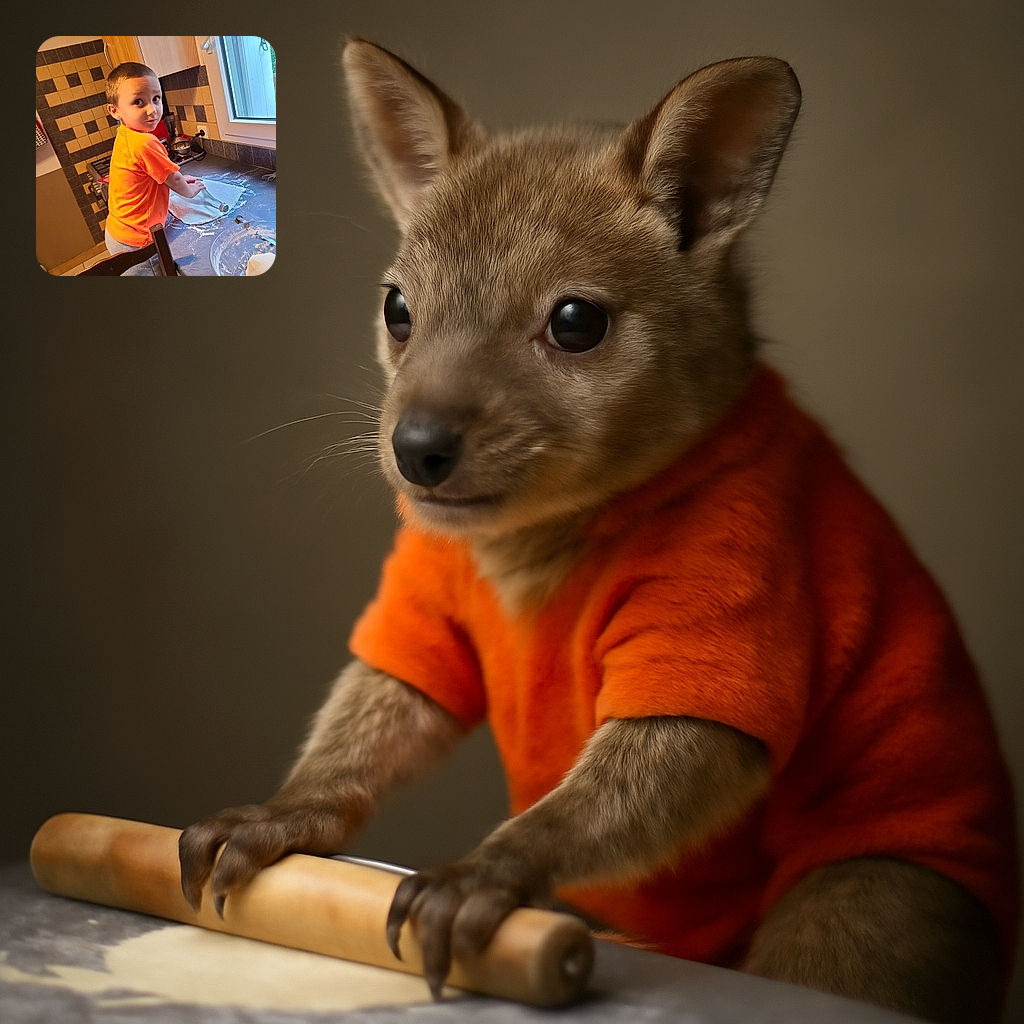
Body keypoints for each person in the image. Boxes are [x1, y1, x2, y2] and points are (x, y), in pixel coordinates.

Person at [103, 62, 204, 275]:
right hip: (138, 242)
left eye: (156, 98)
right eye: (138, 102)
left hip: (118, 232)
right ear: (114, 111)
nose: (152, 109)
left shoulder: (125, 134)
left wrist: (176, 178)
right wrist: (190, 191)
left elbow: (155, 175)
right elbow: (174, 180)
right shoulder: (144, 142)